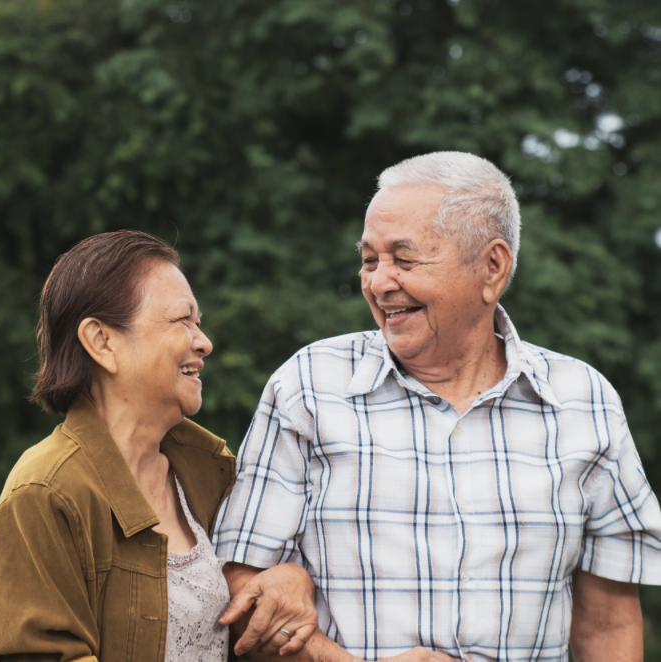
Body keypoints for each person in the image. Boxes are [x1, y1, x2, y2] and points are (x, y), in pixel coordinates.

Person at [214, 152, 661, 662]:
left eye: (404, 260)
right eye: (369, 260)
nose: (379, 282)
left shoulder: (585, 402)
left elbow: (607, 626)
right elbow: (239, 584)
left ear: (492, 267)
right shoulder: (310, 387)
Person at [0, 231, 318, 662]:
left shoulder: (214, 473)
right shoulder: (45, 492)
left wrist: (293, 578)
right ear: (102, 342)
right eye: (182, 320)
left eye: (198, 322)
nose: (203, 342)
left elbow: (250, 620)